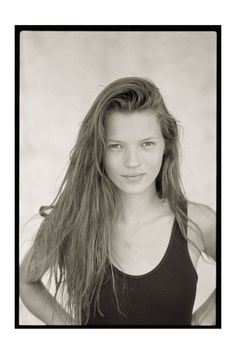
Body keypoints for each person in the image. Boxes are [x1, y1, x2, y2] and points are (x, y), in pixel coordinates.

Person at [20, 77, 216, 326]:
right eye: (115, 146)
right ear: (98, 150)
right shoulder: (72, 220)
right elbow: (26, 281)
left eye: (146, 144)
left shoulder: (196, 222)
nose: (132, 162)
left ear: (165, 146)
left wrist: (202, 323)